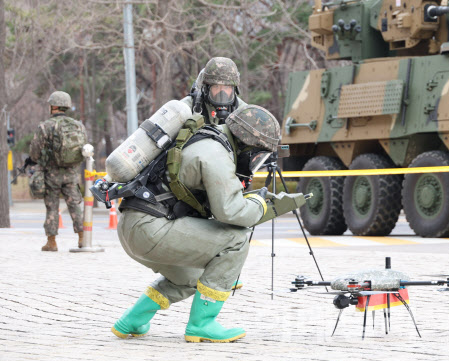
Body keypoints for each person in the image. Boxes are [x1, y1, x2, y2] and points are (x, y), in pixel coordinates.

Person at [111, 104, 281, 343]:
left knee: (190, 277)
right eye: (256, 155)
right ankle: (202, 324)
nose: (254, 162)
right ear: (246, 144)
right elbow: (230, 212)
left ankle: (132, 321)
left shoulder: (204, 137)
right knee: (236, 240)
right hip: (152, 228)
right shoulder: (217, 155)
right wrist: (259, 204)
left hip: (132, 227)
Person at [29, 91, 87, 252]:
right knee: (75, 205)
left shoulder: (45, 126)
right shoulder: (78, 125)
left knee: (52, 207)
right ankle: (82, 238)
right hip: (71, 173)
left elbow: (34, 152)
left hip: (51, 174)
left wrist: (37, 160)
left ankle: (51, 242)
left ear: (53, 106)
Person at [181, 57, 247, 124]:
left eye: (227, 87)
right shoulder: (188, 107)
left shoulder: (243, 110)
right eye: (216, 87)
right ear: (206, 88)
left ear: (234, 89)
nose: (222, 93)